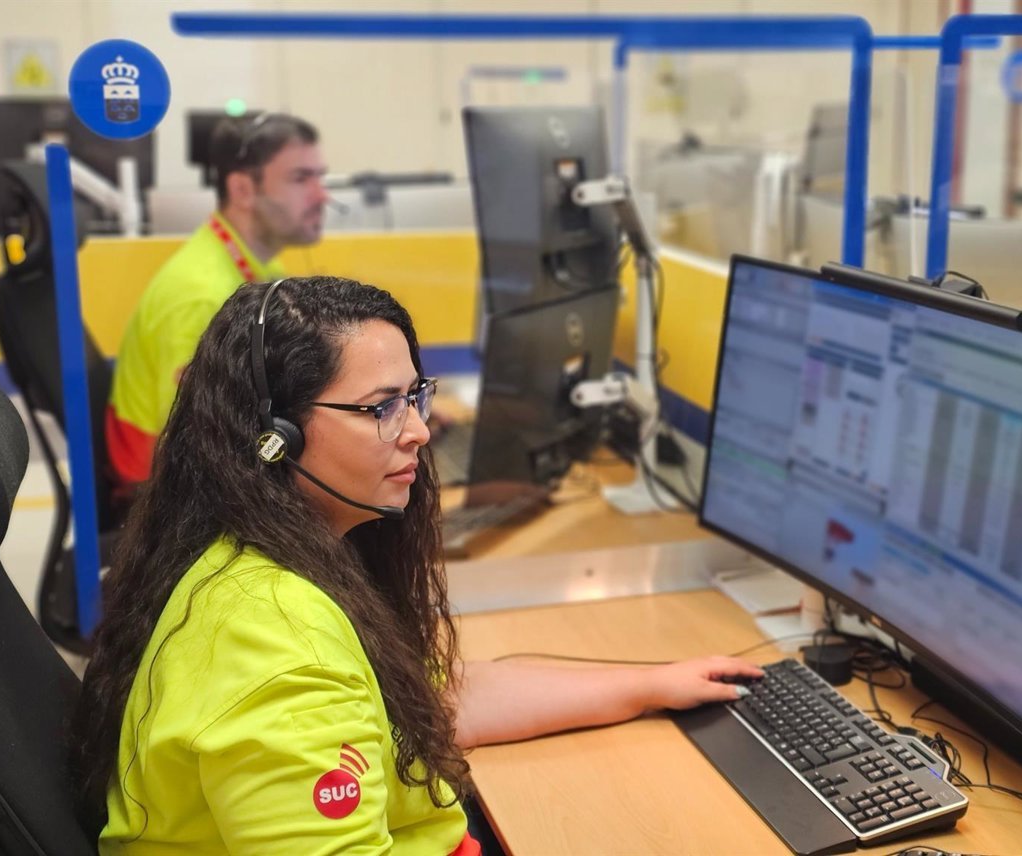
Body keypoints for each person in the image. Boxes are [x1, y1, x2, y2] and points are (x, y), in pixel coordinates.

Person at [71, 276, 763, 855]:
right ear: (274, 437)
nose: (420, 431)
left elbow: (433, 701)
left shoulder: (268, 556)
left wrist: (652, 686)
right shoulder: (278, 651)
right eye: (380, 408)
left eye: (415, 396)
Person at [105, 113, 328, 497]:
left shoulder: (257, 265)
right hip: (158, 496)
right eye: (300, 178)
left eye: (320, 177)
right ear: (242, 189)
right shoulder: (202, 295)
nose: (322, 195)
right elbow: (192, 446)